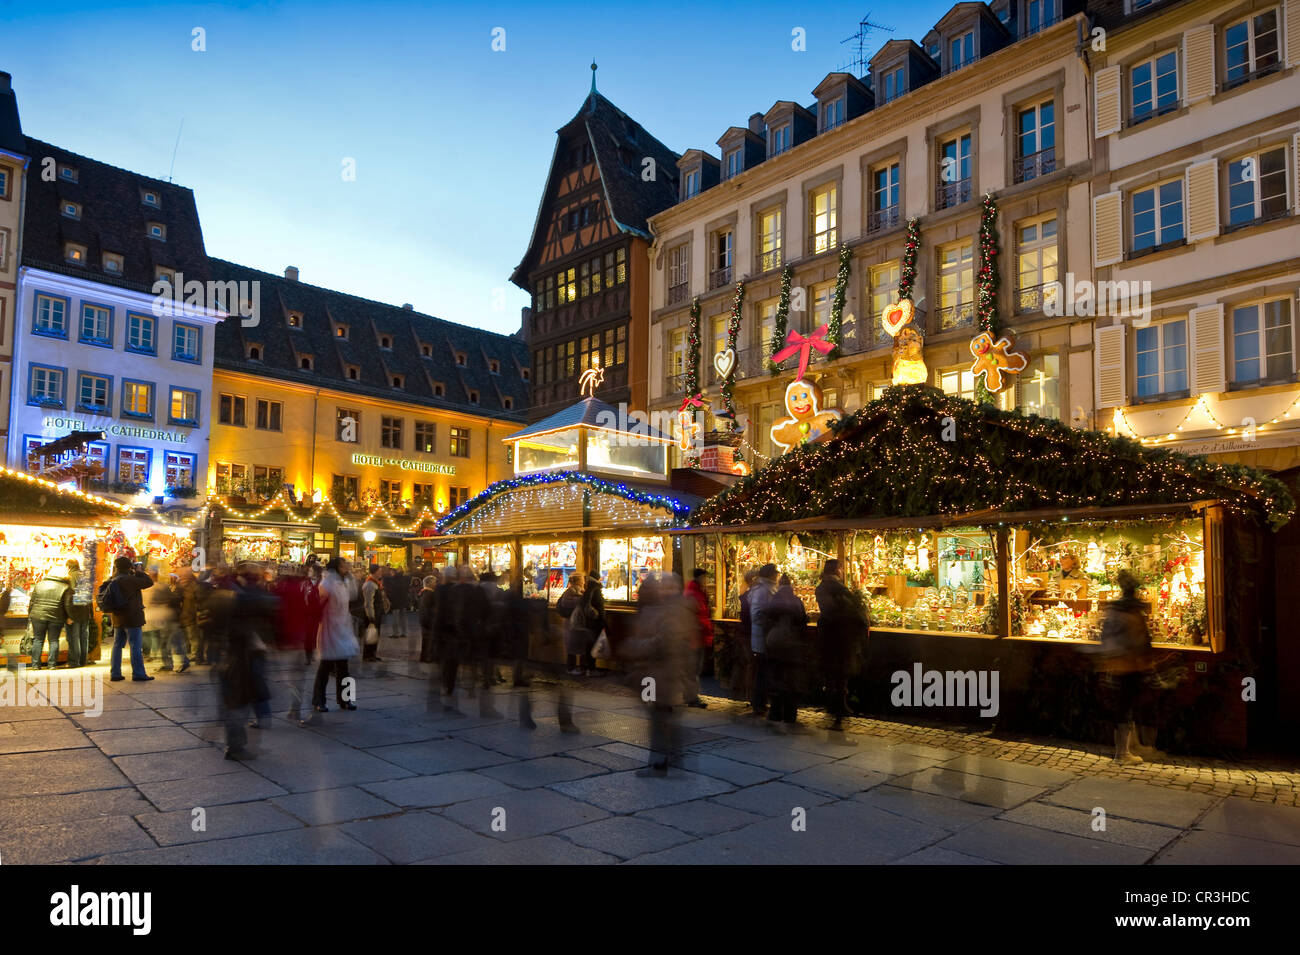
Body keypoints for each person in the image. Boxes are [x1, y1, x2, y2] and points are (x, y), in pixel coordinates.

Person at [621, 572, 695, 776]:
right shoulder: (666, 609)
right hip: (651, 676)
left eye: (668, 586)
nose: (664, 590)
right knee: (659, 716)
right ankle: (673, 760)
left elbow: (664, 643)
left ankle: (660, 763)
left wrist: (636, 646)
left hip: (659, 676)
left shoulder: (673, 611)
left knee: (659, 718)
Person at [1095, 569, 1154, 765]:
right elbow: (1141, 640)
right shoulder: (1133, 612)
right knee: (1126, 707)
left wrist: (1107, 659)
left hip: (1116, 664)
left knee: (1123, 707)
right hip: (1130, 665)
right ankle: (1122, 753)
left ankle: (1129, 747)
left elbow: (1106, 637)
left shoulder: (1114, 610)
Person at [815, 559, 867, 738]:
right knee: (839, 673)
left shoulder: (823, 587)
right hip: (839, 637)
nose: (843, 570)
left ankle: (837, 707)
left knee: (834, 674)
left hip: (830, 637)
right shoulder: (835, 588)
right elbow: (842, 610)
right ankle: (837, 710)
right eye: (841, 567)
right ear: (837, 569)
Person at [313, 557, 360, 717]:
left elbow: (353, 596)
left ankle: (346, 699)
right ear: (337, 567)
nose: (347, 566)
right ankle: (319, 700)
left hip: (343, 627)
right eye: (344, 564)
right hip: (329, 627)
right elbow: (319, 605)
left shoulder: (344, 582)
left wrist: (352, 578)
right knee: (325, 667)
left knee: (344, 667)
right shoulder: (326, 583)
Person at [99, 557, 155, 682]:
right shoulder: (130, 580)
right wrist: (139, 571)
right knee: (135, 645)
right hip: (132, 618)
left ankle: (115, 673)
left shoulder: (112, 579)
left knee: (117, 645)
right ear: (129, 566)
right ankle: (138, 673)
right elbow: (149, 582)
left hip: (118, 618)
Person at [765, 573, 809, 729]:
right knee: (792, 679)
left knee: (777, 675)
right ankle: (790, 714)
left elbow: (766, 618)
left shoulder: (773, 600)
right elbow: (803, 621)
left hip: (774, 640)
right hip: (791, 641)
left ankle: (775, 712)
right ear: (791, 586)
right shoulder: (796, 601)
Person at [28, 564, 75, 669]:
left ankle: (35, 665)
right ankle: (52, 664)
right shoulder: (66, 587)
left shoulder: (39, 584)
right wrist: (69, 616)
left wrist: (30, 614)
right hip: (56, 616)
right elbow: (67, 605)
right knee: (54, 640)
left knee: (38, 640)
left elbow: (32, 602)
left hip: (38, 615)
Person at [747, 564, 779, 715]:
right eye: (776, 573)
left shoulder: (764, 589)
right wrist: (772, 621)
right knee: (763, 673)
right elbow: (757, 615)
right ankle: (759, 704)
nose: (778, 576)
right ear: (771, 575)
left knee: (764, 672)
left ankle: (761, 702)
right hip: (763, 638)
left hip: (765, 637)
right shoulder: (762, 591)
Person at [683, 568, 714, 709]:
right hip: (694, 637)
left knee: (693, 668)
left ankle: (689, 695)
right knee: (693, 669)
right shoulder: (693, 594)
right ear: (699, 578)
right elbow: (696, 617)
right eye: (704, 578)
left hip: (697, 636)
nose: (706, 581)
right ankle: (691, 697)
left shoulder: (697, 592)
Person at [556, 573, 589, 676]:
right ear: (578, 581)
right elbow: (568, 604)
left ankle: (580, 667)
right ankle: (571, 668)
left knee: (578, 645)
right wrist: (582, 599)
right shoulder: (571, 591)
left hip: (575, 623)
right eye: (582, 579)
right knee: (573, 646)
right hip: (572, 623)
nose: (584, 581)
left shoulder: (576, 591)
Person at [65, 559, 93, 669]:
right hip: (85, 610)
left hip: (75, 610)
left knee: (74, 637)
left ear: (68, 567)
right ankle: (83, 660)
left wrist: (69, 614)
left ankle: (74, 661)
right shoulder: (85, 576)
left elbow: (70, 597)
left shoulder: (71, 577)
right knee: (83, 636)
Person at [361, 565, 386, 662]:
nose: (381, 573)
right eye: (379, 571)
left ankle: (372, 654)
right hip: (371, 614)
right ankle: (367, 655)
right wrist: (371, 616)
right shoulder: (369, 584)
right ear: (374, 572)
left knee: (375, 634)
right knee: (370, 634)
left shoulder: (376, 583)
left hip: (377, 612)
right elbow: (368, 602)